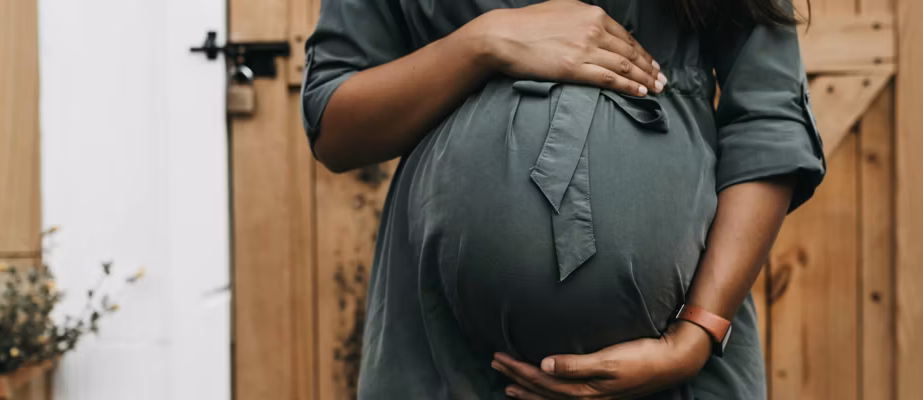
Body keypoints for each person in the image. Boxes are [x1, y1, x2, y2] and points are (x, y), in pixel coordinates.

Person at [301, 0, 824, 398]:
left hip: (682, 365)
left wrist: (696, 335)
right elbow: (336, 127)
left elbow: (769, 117)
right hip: (443, 360)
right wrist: (483, 42)